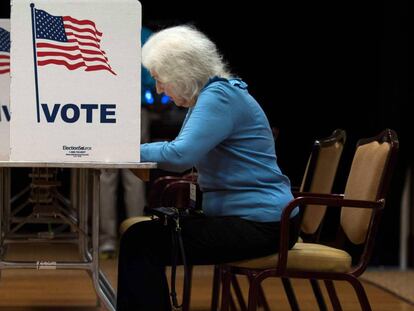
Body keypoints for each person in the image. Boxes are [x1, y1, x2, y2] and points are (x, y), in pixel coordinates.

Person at [116, 25, 300, 311]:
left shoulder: (219, 96)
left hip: (263, 225)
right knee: (141, 239)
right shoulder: (214, 95)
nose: (159, 89)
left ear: (180, 71)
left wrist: (123, 150)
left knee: (142, 242)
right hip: (253, 219)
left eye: (159, 79)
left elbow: (180, 155)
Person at [99, 26, 155, 256]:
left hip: (102, 108)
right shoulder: (144, 35)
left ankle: (106, 241)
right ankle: (137, 236)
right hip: (133, 107)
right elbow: (152, 79)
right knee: (134, 173)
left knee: (105, 174)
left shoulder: (101, 27)